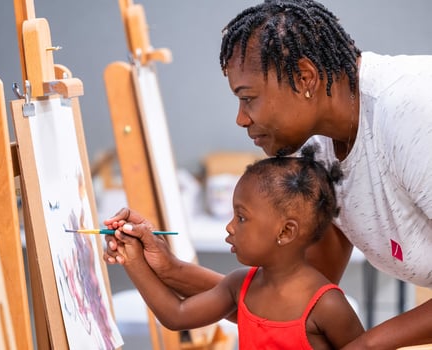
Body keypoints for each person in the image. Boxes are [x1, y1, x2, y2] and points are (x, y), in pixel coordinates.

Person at [104, 0, 432, 348]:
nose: (241, 119)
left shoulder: (411, 113)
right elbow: (285, 303)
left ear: (304, 77)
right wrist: (169, 269)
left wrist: (363, 345)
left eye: (248, 98)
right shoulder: (317, 150)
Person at [110, 145, 364, 349]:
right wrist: (133, 260)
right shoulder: (240, 285)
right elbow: (176, 315)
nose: (230, 227)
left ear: (286, 232)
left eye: (241, 217)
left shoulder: (328, 305)